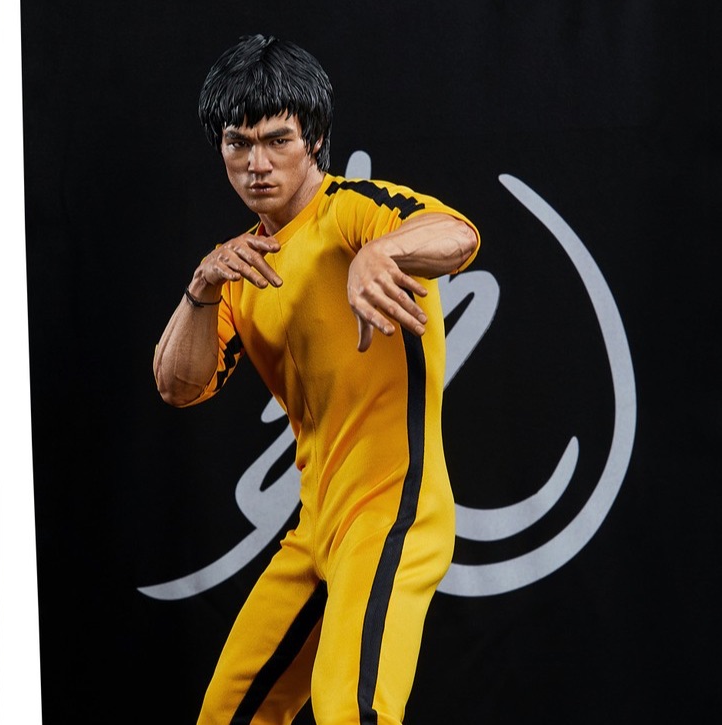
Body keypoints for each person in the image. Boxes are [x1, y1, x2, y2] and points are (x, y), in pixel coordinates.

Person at [153, 34, 480, 725]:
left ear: (315, 139)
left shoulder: (351, 211)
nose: (258, 164)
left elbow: (456, 234)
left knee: (350, 711)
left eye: (278, 140)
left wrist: (380, 255)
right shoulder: (239, 267)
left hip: (392, 512)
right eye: (239, 144)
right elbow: (178, 386)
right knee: (225, 713)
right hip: (315, 527)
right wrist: (201, 286)